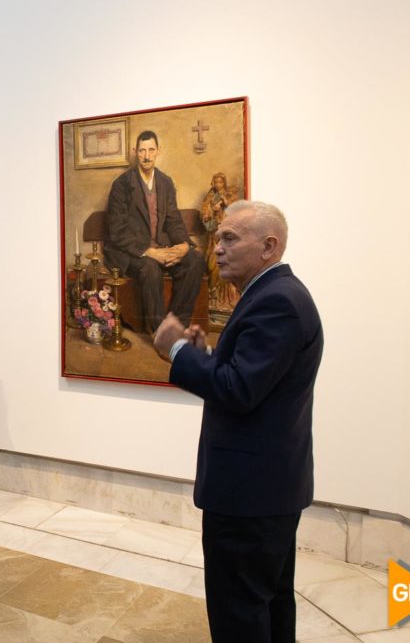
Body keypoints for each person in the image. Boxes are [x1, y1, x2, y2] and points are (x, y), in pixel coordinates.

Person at [152, 200, 323, 643]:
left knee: (240, 614)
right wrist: (205, 356)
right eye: (217, 238)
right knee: (268, 604)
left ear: (269, 246)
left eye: (230, 238)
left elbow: (238, 390)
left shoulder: (277, 302)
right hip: (267, 487)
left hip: (250, 494)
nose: (218, 249)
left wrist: (176, 351)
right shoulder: (273, 295)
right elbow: (253, 380)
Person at [103, 130, 206, 332]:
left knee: (195, 261)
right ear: (136, 152)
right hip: (131, 252)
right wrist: (150, 251)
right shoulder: (121, 185)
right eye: (142, 151)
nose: (147, 156)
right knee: (150, 268)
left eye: (151, 150)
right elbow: (117, 231)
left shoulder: (165, 182)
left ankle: (175, 326)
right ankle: (159, 334)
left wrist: (184, 245)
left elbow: (173, 219)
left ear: (158, 151)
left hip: (161, 247)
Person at [199, 173, 241, 312]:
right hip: (213, 237)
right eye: (215, 182)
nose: (218, 185)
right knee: (212, 264)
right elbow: (204, 215)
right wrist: (211, 211)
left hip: (227, 236)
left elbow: (236, 211)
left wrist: (223, 203)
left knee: (227, 262)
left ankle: (225, 301)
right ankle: (213, 298)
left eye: (220, 182)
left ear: (224, 183)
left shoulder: (229, 195)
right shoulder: (210, 196)